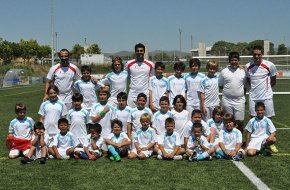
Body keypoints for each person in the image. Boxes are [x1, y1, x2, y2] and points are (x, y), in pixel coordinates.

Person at [245, 45, 278, 152]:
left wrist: (266, 90)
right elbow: (249, 81)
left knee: (268, 119)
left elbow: (273, 80)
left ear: (262, 54)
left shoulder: (270, 65)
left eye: (259, 54)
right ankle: (254, 141)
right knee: (253, 119)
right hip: (254, 97)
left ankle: (270, 142)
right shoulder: (248, 66)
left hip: (266, 96)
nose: (257, 56)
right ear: (252, 55)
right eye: (255, 54)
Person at [219, 52, 246, 132]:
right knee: (228, 121)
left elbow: (244, 86)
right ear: (229, 61)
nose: (234, 62)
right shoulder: (224, 71)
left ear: (238, 60)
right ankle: (229, 140)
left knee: (240, 121)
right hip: (227, 100)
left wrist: (241, 96)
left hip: (239, 100)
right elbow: (220, 85)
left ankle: (239, 140)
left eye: (235, 60)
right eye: (232, 60)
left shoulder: (243, 71)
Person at [125, 43, 154, 108]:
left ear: (144, 52)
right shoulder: (129, 64)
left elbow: (153, 79)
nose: (139, 52)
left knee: (144, 116)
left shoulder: (150, 64)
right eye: (137, 51)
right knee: (131, 114)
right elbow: (123, 76)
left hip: (145, 94)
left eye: (141, 51)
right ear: (135, 52)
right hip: (132, 94)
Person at [67, 93, 91, 159]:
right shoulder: (70, 112)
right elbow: (68, 124)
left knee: (84, 149)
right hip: (73, 135)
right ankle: (76, 153)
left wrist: (87, 134)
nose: (76, 103)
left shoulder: (85, 112)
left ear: (81, 101)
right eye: (74, 101)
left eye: (78, 101)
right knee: (72, 148)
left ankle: (78, 154)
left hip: (82, 135)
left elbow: (88, 124)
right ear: (72, 101)